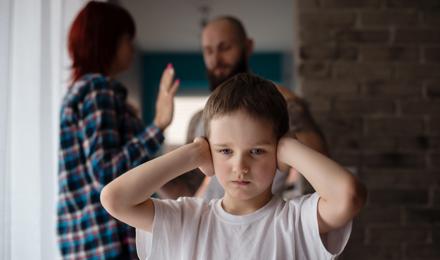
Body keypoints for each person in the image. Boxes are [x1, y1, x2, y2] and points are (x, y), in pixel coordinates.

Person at [101, 73, 367, 259]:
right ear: (210, 149)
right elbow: (114, 199)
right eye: (225, 150)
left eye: (257, 151)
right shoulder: (187, 218)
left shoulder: (295, 221)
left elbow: (349, 196)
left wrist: (288, 148)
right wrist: (193, 153)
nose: (240, 166)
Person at [57, 2, 179, 259]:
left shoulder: (82, 91)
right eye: (127, 39)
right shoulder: (98, 89)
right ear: (107, 40)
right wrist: (157, 125)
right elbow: (106, 172)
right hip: (108, 241)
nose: (132, 48)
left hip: (87, 242)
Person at [158, 16, 328, 199]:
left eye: (225, 48)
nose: (216, 60)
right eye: (208, 51)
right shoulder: (199, 120)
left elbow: (319, 161)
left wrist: (290, 107)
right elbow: (186, 191)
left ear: (247, 47)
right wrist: (156, 128)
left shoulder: (282, 104)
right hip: (212, 222)